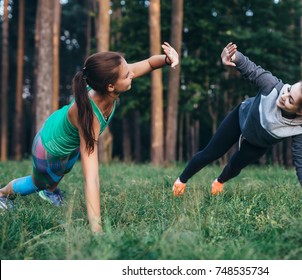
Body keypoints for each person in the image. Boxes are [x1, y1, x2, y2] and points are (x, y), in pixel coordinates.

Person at [0, 42, 179, 233]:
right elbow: (91, 178)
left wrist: (169, 59)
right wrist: (97, 230)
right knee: (38, 183)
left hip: (67, 140)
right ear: (110, 86)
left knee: (63, 171)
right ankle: (3, 194)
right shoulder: (89, 117)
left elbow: (150, 64)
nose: (132, 73)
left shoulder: (110, 81)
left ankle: (50, 192)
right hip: (48, 148)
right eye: (127, 74)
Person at [172, 42, 302, 207]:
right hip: (240, 118)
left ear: (301, 112)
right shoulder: (272, 86)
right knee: (211, 153)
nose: (284, 95)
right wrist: (233, 56)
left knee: (235, 166)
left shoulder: (301, 129)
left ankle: (219, 182)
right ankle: (181, 181)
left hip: (259, 143)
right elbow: (251, 68)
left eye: (290, 99)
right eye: (289, 89)